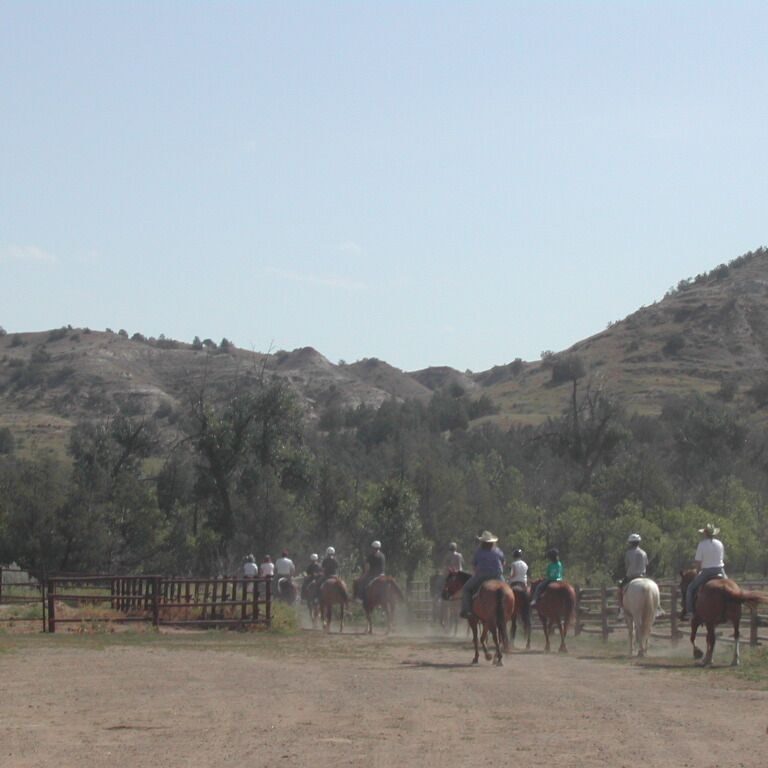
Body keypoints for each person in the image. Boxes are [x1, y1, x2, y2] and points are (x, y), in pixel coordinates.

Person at [682, 523, 726, 619]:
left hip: (707, 571)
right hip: (720, 570)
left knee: (690, 588)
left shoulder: (702, 544)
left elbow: (698, 562)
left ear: (705, 534)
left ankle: (690, 612)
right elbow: (721, 558)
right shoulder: (720, 544)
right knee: (730, 587)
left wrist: (697, 571)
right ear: (714, 534)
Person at [460, 530, 505, 619]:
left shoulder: (479, 551)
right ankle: (513, 611)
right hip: (497, 575)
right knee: (508, 589)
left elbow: (474, 565)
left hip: (482, 575)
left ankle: (467, 610)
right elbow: (503, 562)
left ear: (482, 542)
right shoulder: (498, 551)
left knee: (466, 589)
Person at [617, 533, 648, 618]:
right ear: (639, 542)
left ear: (630, 543)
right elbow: (646, 564)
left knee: (620, 589)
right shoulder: (644, 553)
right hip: (642, 576)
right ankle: (657, 607)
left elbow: (627, 566)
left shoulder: (628, 553)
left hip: (631, 577)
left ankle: (621, 609)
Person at [359, 540, 386, 607]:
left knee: (363, 584)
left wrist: (363, 576)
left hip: (373, 576)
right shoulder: (382, 555)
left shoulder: (370, 556)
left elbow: (367, 569)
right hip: (382, 575)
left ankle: (361, 598)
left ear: (373, 548)